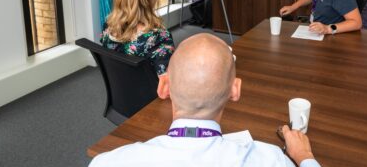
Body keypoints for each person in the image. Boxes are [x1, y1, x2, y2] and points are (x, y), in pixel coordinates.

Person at [89, 33, 321, 167]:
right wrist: (305, 157)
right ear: (235, 90)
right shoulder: (271, 160)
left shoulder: (108, 163)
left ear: (164, 86)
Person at [101, 0, 174, 77]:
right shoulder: (159, 37)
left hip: (121, 90)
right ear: (148, 1)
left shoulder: (109, 28)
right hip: (151, 93)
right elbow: (166, 80)